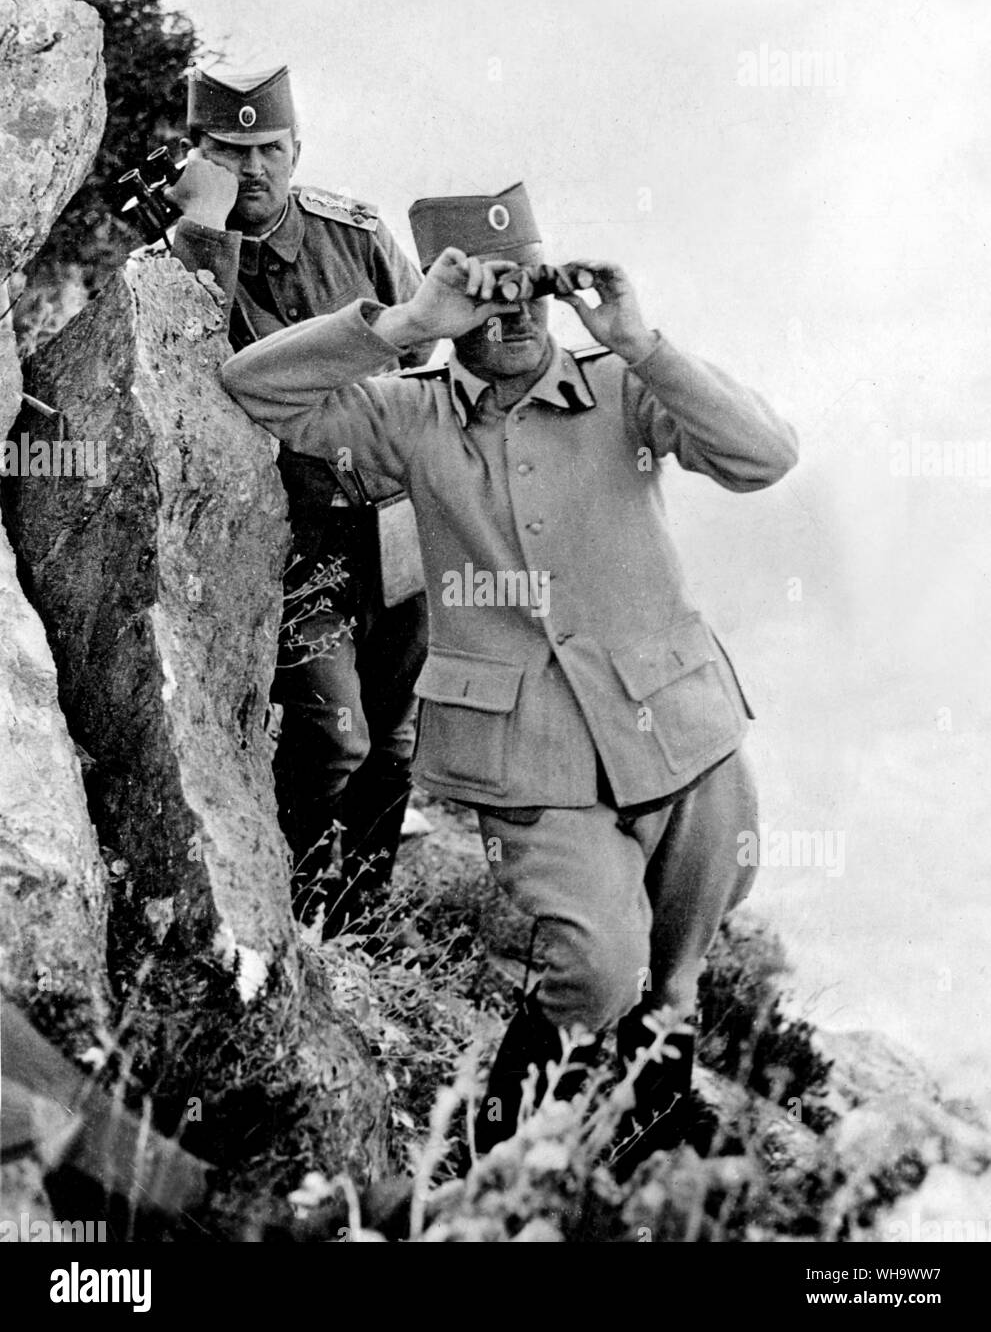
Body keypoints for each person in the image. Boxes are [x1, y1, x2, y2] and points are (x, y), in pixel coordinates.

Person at [221, 183, 800, 1177]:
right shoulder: (409, 417)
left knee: (678, 961)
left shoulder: (620, 386)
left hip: (679, 726)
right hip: (527, 750)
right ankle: (496, 1146)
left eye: (527, 289)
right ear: (454, 318)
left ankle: (648, 1119)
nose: (513, 315)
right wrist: (400, 322)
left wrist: (641, 338)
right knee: (592, 966)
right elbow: (257, 388)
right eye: (485, 300)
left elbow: (764, 455)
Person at [168, 66, 431, 935]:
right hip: (292, 541)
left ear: (296, 150)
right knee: (333, 734)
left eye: (268, 149)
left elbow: (428, 354)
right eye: (226, 150)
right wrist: (199, 234)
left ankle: (356, 928)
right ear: (195, 154)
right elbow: (189, 370)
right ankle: (274, 910)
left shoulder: (351, 235)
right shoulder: (171, 255)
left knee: (393, 744)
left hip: (396, 527)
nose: (251, 169)